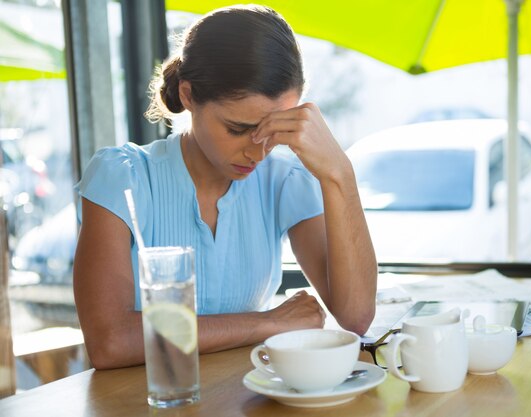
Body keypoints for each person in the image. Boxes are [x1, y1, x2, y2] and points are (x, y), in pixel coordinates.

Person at [73, 4, 377, 370]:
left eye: (275, 132)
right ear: (188, 96)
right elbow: (111, 341)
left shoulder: (283, 179)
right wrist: (268, 322)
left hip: (246, 399)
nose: (258, 151)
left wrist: (339, 174)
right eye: (238, 129)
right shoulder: (123, 178)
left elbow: (356, 317)